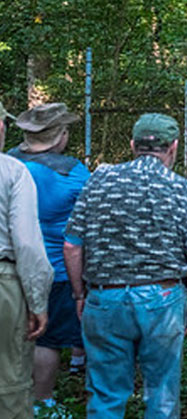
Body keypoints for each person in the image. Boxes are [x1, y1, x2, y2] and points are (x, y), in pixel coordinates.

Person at [63, 113, 187, 418]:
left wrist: (79, 294)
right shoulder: (180, 189)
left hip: (104, 299)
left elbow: (72, 245)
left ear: (133, 145)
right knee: (162, 397)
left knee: (105, 397)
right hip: (163, 300)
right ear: (173, 147)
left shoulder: (99, 181)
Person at [5, 103, 89, 414]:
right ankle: (42, 403)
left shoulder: (7, 164)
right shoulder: (74, 173)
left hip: (10, 268)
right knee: (48, 340)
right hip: (56, 270)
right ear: (60, 136)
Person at [0, 100, 53, 419]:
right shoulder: (12, 171)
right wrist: (37, 303)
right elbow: (27, 244)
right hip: (5, 285)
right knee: (10, 386)